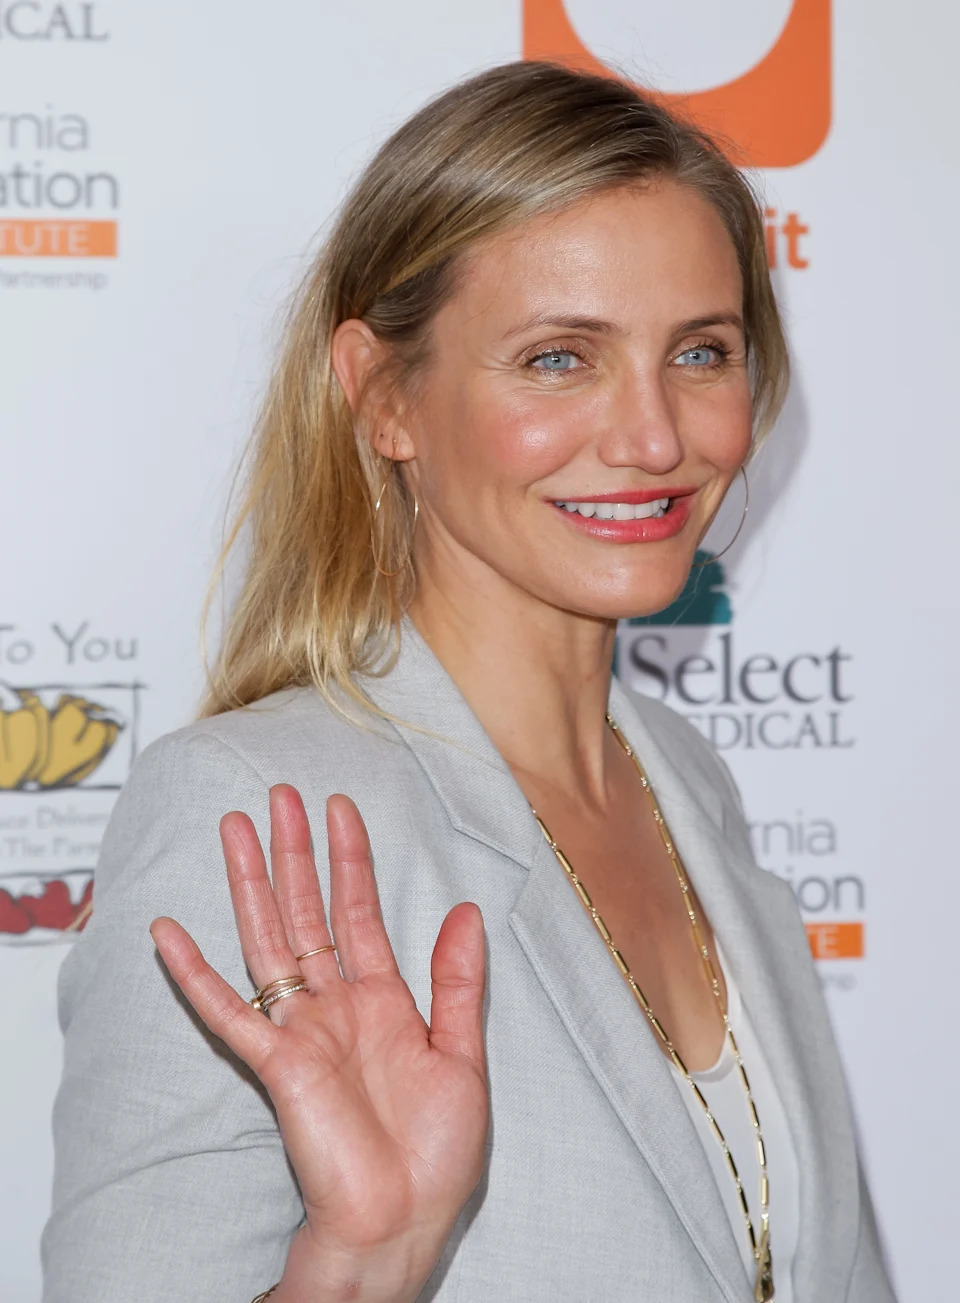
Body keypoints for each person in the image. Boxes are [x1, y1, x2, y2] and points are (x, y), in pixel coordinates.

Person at [42, 61, 896, 1303]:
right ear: (384, 396)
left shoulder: (687, 784)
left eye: (701, 351)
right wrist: (362, 1259)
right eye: (560, 359)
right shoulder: (261, 816)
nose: (656, 437)